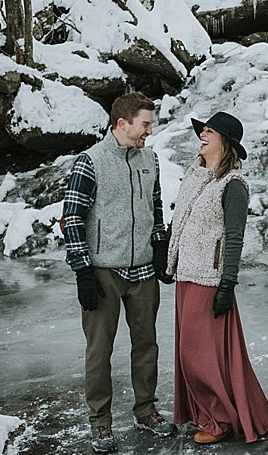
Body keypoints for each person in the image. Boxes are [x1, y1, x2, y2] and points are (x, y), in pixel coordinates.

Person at [62, 92, 177, 454]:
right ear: (122, 123)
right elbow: (73, 218)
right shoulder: (90, 162)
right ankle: (101, 422)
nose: (149, 131)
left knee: (146, 344)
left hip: (143, 272)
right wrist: (82, 270)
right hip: (103, 274)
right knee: (100, 351)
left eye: (151, 124)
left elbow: (155, 208)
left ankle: (146, 411)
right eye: (145, 124)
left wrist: (160, 246)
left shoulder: (150, 159)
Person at [165, 111, 268, 444]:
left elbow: (234, 237)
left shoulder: (234, 185)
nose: (202, 135)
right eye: (203, 130)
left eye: (209, 131)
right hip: (187, 274)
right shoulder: (196, 175)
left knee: (196, 355)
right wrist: (167, 257)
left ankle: (221, 420)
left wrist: (227, 283)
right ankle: (212, 414)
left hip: (210, 280)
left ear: (225, 142)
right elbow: (180, 221)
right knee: (195, 354)